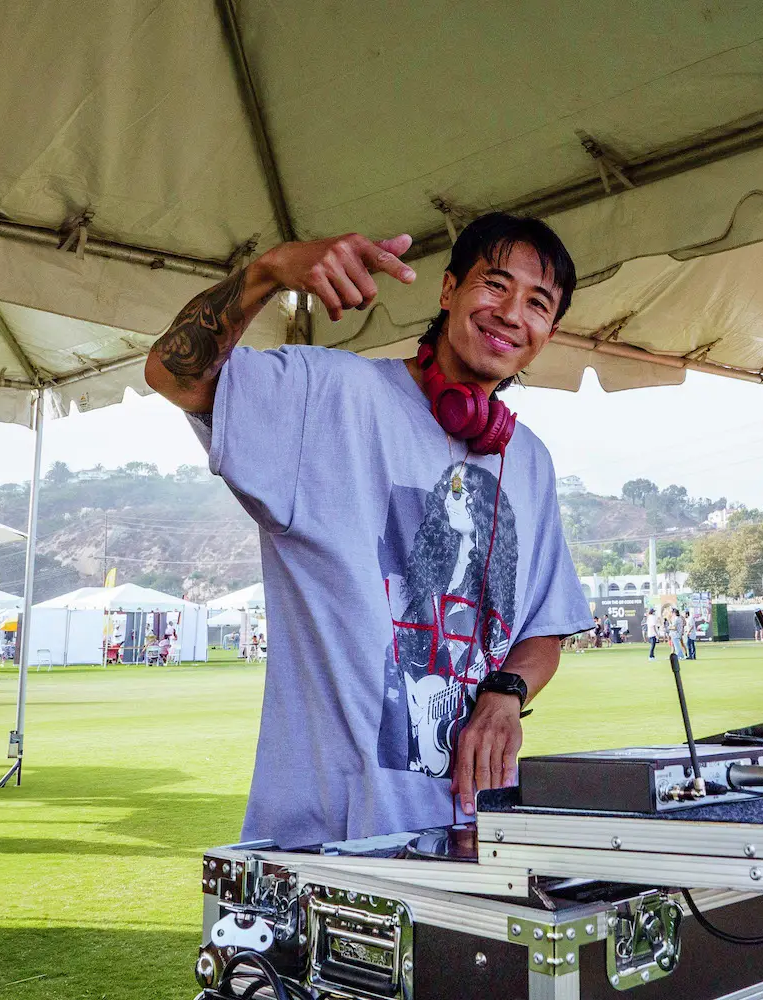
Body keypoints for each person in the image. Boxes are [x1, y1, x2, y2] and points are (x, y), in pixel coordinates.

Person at [145, 213, 592, 847]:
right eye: (495, 284)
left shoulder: (530, 460)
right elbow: (172, 373)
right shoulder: (330, 395)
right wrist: (270, 271)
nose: (512, 313)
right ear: (448, 289)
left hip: (474, 837)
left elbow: (544, 626)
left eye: (538, 303)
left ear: (550, 331)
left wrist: (506, 693)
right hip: (330, 842)